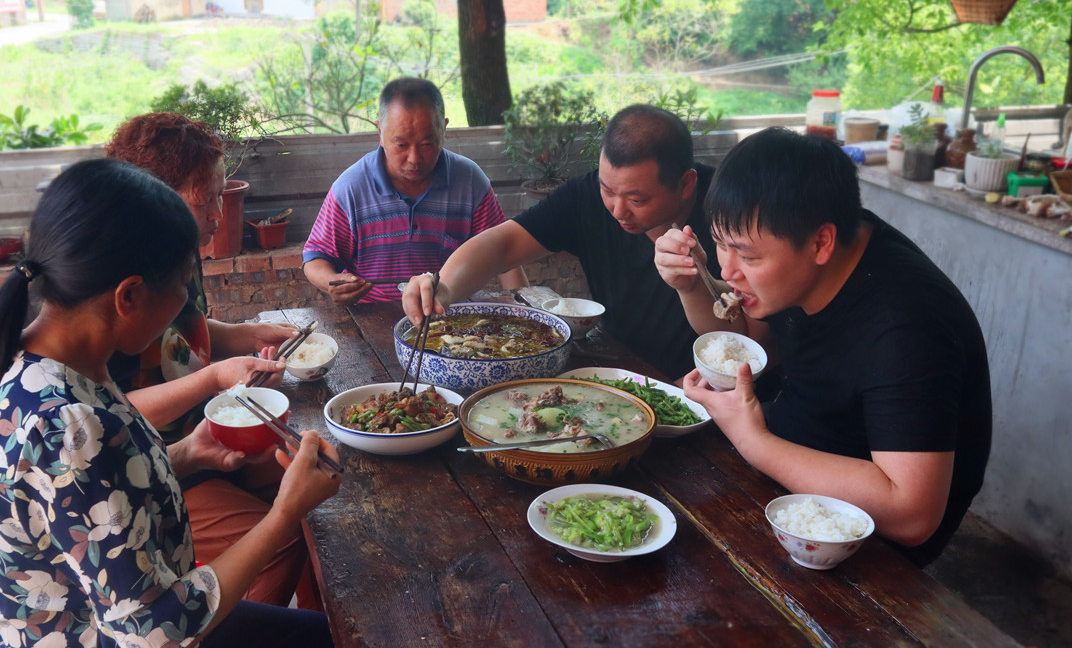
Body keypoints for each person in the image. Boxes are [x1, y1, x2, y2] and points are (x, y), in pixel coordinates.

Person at [0, 158, 342, 647]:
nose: (184, 309)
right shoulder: (68, 426)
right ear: (128, 295)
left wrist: (187, 454)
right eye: (181, 287)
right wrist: (286, 512)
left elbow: (88, 499)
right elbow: (154, 633)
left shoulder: (51, 362)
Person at [653, 127, 992, 566]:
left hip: (852, 546)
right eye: (718, 244)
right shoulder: (806, 251)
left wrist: (753, 440)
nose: (727, 269)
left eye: (747, 256)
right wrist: (691, 286)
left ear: (821, 243)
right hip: (788, 472)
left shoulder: (908, 327)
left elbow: (912, 515)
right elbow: (757, 342)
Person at [104, 112, 311, 609]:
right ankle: (245, 626)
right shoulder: (117, 284)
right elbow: (110, 415)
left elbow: (183, 337)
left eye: (224, 193)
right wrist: (212, 379)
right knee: (282, 538)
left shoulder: (179, 250)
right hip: (159, 468)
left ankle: (321, 624)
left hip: (211, 437)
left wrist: (249, 334)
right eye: (208, 197)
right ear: (156, 200)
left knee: (318, 492)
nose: (221, 211)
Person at [403, 104, 718, 380]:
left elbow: (756, 335)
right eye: (608, 191)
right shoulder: (586, 196)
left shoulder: (731, 213)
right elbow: (503, 243)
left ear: (686, 184)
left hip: (707, 394)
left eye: (636, 198)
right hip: (617, 372)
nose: (618, 210)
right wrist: (444, 287)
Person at [303, 77, 527, 306]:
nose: (414, 159)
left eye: (427, 144)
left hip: (448, 316)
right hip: (374, 316)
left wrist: (524, 308)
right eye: (401, 145)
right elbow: (316, 256)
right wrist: (332, 282)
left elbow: (503, 253)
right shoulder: (351, 188)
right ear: (380, 131)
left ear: (444, 129)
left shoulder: (470, 182)